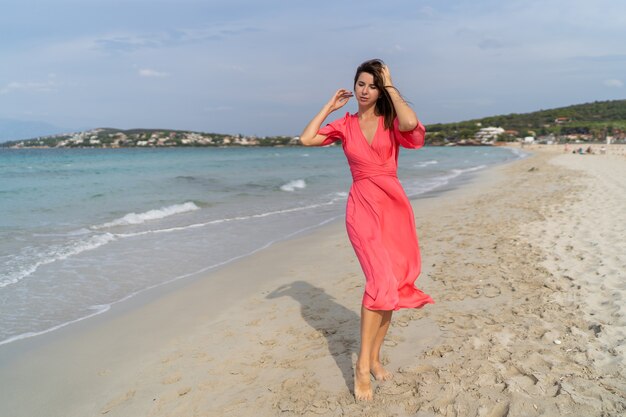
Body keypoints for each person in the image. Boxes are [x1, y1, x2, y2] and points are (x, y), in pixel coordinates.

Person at [300, 59, 434, 401]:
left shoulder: (392, 120)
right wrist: (329, 106)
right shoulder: (344, 125)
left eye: (372, 85)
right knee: (378, 282)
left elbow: (411, 122)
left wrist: (390, 85)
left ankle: (374, 358)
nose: (364, 90)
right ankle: (362, 366)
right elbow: (306, 138)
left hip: (393, 207)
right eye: (361, 84)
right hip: (361, 207)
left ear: (381, 89)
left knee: (390, 285)